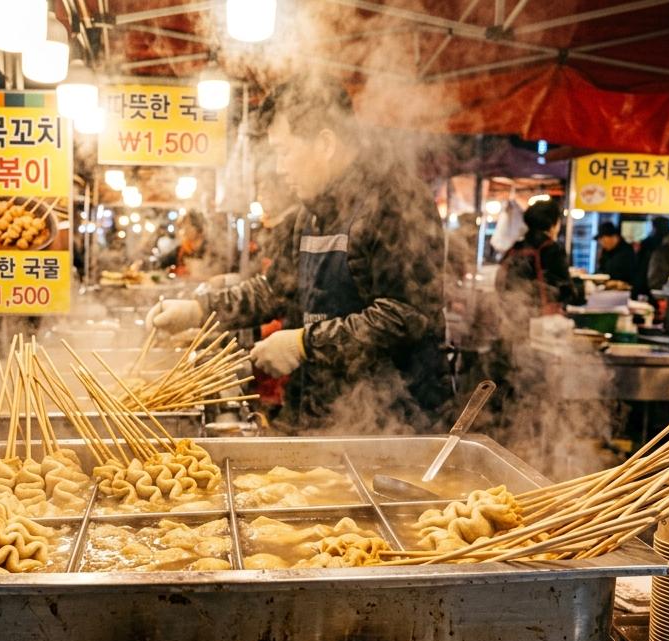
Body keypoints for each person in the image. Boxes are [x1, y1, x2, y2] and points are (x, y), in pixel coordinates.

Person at [145, 77, 452, 434]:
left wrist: (305, 343)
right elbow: (276, 289)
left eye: (285, 151)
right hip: (324, 416)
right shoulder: (309, 215)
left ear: (325, 144)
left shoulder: (395, 202)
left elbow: (406, 315)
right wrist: (198, 309)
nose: (279, 167)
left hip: (396, 427)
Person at [496, 199, 580, 313]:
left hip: (511, 315)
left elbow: (500, 281)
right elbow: (566, 291)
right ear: (553, 224)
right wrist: (580, 290)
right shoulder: (552, 248)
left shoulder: (516, 247)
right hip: (542, 319)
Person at [594, 221, 637, 286]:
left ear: (614, 237)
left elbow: (630, 275)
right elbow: (601, 270)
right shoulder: (606, 252)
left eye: (603, 239)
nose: (601, 242)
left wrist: (616, 282)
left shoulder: (627, 251)